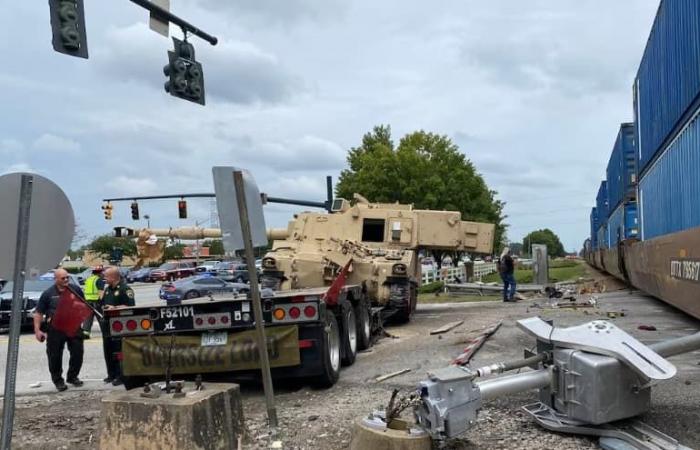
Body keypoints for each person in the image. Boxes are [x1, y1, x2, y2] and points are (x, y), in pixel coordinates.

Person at [34, 269, 85, 392]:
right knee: (54, 355)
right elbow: (39, 313)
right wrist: (37, 330)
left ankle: (72, 377)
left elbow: (84, 305)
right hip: (55, 329)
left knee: (78, 353)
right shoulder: (48, 294)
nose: (66, 280)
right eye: (63, 278)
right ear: (56, 279)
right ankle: (58, 380)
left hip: (73, 326)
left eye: (67, 277)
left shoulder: (75, 289)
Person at [100, 266, 135, 386]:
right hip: (107, 325)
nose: (104, 278)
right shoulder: (108, 289)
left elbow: (131, 307)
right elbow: (103, 303)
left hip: (119, 327)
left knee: (119, 352)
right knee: (108, 350)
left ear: (113, 277)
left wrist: (115, 308)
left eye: (106, 276)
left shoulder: (125, 289)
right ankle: (111, 374)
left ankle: (121, 376)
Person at [81, 266, 105, 339]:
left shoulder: (88, 280)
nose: (103, 274)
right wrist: (104, 303)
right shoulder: (99, 280)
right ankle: (106, 332)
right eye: (102, 272)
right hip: (96, 302)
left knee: (88, 319)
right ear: (99, 273)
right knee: (102, 318)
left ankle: (85, 333)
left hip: (87, 302)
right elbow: (101, 294)